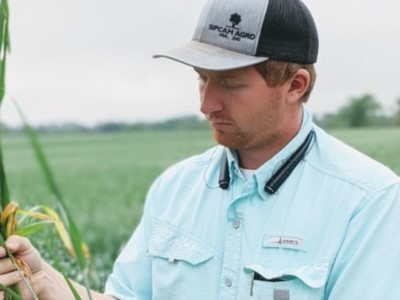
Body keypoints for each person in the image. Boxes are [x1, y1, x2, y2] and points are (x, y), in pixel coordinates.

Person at [1, 0, 400, 299]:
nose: (206, 104)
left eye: (229, 84)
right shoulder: (175, 188)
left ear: (295, 85)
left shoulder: (368, 201)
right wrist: (47, 282)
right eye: (202, 79)